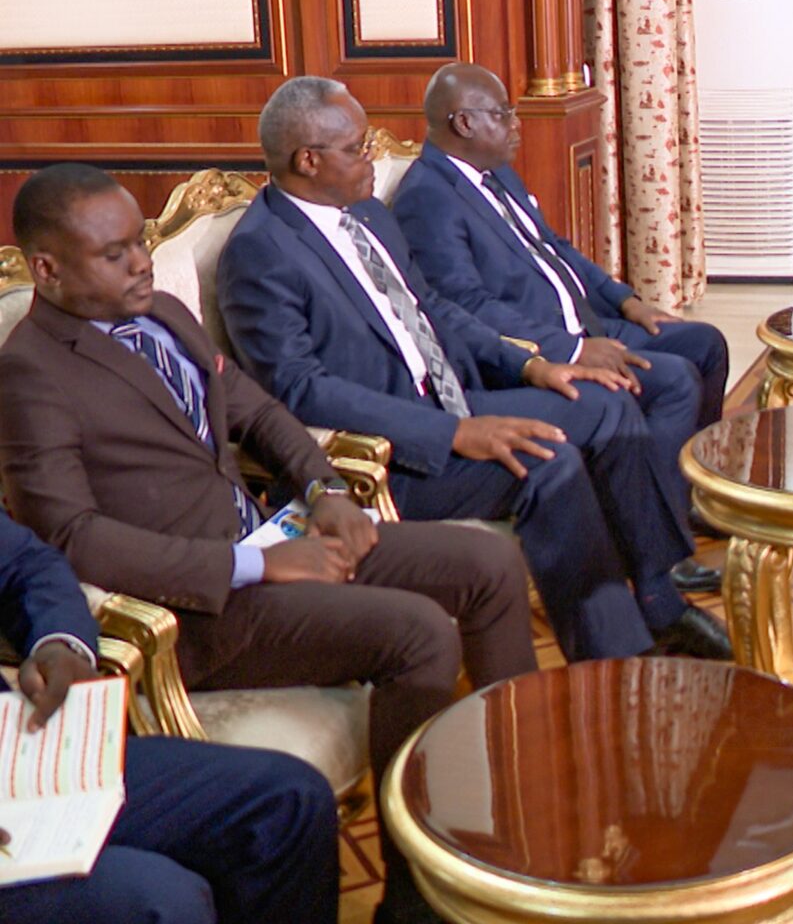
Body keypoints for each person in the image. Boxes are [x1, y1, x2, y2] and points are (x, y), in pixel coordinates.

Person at [0, 163, 539, 924]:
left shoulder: (163, 313)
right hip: (205, 608)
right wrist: (255, 564)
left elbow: (255, 410)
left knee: (488, 563)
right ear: (48, 270)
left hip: (276, 534)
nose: (141, 262)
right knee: (419, 633)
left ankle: (505, 805)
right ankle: (418, 894)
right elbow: (72, 539)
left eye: (141, 242)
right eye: (114, 253)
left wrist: (325, 491)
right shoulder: (30, 374)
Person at [216, 76, 731, 664]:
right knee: (548, 459)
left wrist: (531, 365)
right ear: (308, 160)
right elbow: (300, 390)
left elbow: (433, 308)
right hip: (392, 447)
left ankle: (657, 594)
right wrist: (454, 432)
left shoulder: (367, 216)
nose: (373, 159)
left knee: (608, 404)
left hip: (453, 395)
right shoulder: (261, 252)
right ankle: (614, 657)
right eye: (358, 148)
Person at [392, 63, 729, 563]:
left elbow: (555, 248)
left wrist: (627, 301)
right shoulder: (428, 198)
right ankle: (652, 529)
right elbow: (467, 307)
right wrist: (571, 350)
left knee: (705, 344)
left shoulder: (495, 172)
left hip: (588, 324)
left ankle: (682, 496)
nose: (516, 124)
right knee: (674, 380)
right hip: (540, 349)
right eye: (503, 114)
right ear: (464, 123)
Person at [0, 507, 339, 924]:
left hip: (17, 756)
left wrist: (60, 642)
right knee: (164, 900)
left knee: (290, 802)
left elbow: (25, 564)